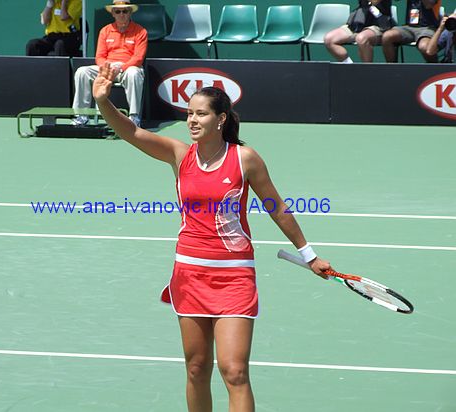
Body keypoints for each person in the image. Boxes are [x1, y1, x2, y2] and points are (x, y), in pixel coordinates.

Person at [92, 61, 332, 412]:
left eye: (200, 114)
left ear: (221, 119)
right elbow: (132, 132)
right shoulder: (179, 155)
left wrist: (310, 255)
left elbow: (276, 207)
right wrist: (103, 102)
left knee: (234, 371)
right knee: (196, 368)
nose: (192, 120)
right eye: (189, 113)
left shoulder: (245, 159)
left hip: (234, 277)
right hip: (189, 275)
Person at [72, 0, 148, 127]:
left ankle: (134, 118)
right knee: (82, 71)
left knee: (134, 73)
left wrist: (122, 67)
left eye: (125, 11)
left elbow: (138, 58)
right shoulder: (105, 31)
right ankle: (81, 115)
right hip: (107, 67)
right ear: (113, 13)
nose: (121, 14)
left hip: (128, 68)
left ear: (130, 13)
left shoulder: (141, 31)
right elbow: (100, 56)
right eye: (118, 11)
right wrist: (106, 68)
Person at [324, 0, 394, 63]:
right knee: (329, 39)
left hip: (379, 24)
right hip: (359, 22)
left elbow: (374, 1)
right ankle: (351, 68)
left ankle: (367, 74)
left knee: (362, 38)